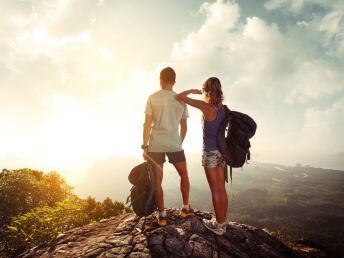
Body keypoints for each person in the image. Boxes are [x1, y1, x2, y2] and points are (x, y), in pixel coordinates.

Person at [142, 67, 194, 226]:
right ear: (174, 81)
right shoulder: (181, 99)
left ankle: (162, 215)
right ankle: (185, 208)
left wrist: (145, 146)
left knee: (158, 180)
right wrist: (179, 142)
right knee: (184, 175)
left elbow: (147, 124)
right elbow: (184, 127)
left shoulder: (152, 98)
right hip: (174, 143)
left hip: (156, 144)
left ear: (160, 80)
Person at [176, 77, 228, 235]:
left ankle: (218, 226)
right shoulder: (224, 109)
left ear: (207, 90)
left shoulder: (205, 107)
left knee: (214, 190)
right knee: (221, 189)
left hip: (210, 153)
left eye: (204, 89)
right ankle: (222, 222)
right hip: (222, 153)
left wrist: (192, 91)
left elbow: (179, 96)